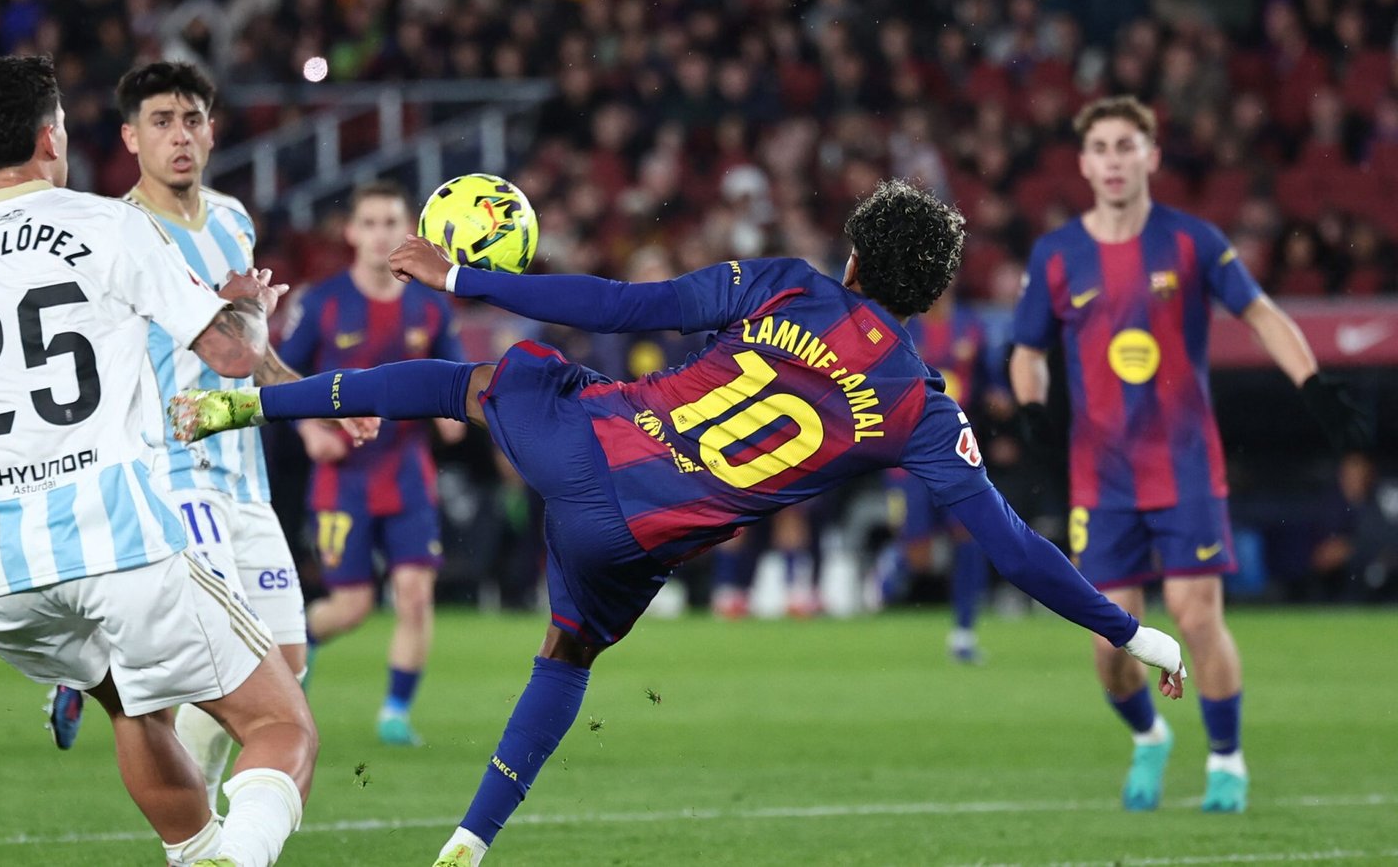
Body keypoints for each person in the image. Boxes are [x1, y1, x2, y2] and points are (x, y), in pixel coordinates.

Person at [172, 178, 1189, 867]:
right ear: (930, 295)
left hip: (588, 449)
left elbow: (620, 306)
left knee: (476, 379)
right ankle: (471, 843)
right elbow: (1011, 546)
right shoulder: (922, 407)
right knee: (566, 654)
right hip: (641, 541)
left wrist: (471, 278)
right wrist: (1129, 631)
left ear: (848, 256)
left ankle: (242, 402)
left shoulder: (787, 283)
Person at [0, 55, 316, 867]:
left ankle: (199, 855)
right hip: (120, 543)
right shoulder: (107, 224)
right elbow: (233, 359)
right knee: (281, 723)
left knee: (136, 703)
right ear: (50, 135)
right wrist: (248, 309)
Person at [1009, 95, 1372, 815]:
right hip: (1102, 476)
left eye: (1126, 146)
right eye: (1102, 149)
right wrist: (1030, 411)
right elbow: (1027, 352)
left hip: (1185, 467)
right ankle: (1149, 738)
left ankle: (1227, 760)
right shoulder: (1057, 255)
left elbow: (1262, 313)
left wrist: (1313, 384)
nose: (1114, 160)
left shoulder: (1193, 242)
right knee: (1112, 645)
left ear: (1152, 156)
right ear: (1084, 164)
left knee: (1196, 616)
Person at [44, 61, 372, 812]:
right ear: (130, 137)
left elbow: (250, 347)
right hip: (170, 476)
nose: (179, 136)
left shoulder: (231, 220)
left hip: (245, 476)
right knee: (215, 670)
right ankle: (200, 842)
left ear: (213, 129)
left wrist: (318, 401)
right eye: (160, 122)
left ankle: (101, 674)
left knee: (284, 663)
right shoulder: (111, 234)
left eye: (191, 119)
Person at [275, 179, 466, 746]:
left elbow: (457, 382)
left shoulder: (431, 304)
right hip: (343, 478)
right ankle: (294, 649)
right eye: (372, 223)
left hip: (407, 475)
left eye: (392, 223)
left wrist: (457, 416)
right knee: (353, 606)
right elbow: (280, 375)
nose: (382, 233)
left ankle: (395, 714)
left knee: (414, 594)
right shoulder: (325, 301)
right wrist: (311, 431)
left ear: (407, 233)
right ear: (352, 232)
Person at [882, 288, 993, 662]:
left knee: (969, 536)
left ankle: (964, 631)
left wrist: (999, 399)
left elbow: (988, 380)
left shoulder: (971, 326)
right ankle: (885, 577)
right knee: (919, 553)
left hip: (957, 451)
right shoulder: (901, 326)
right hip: (907, 454)